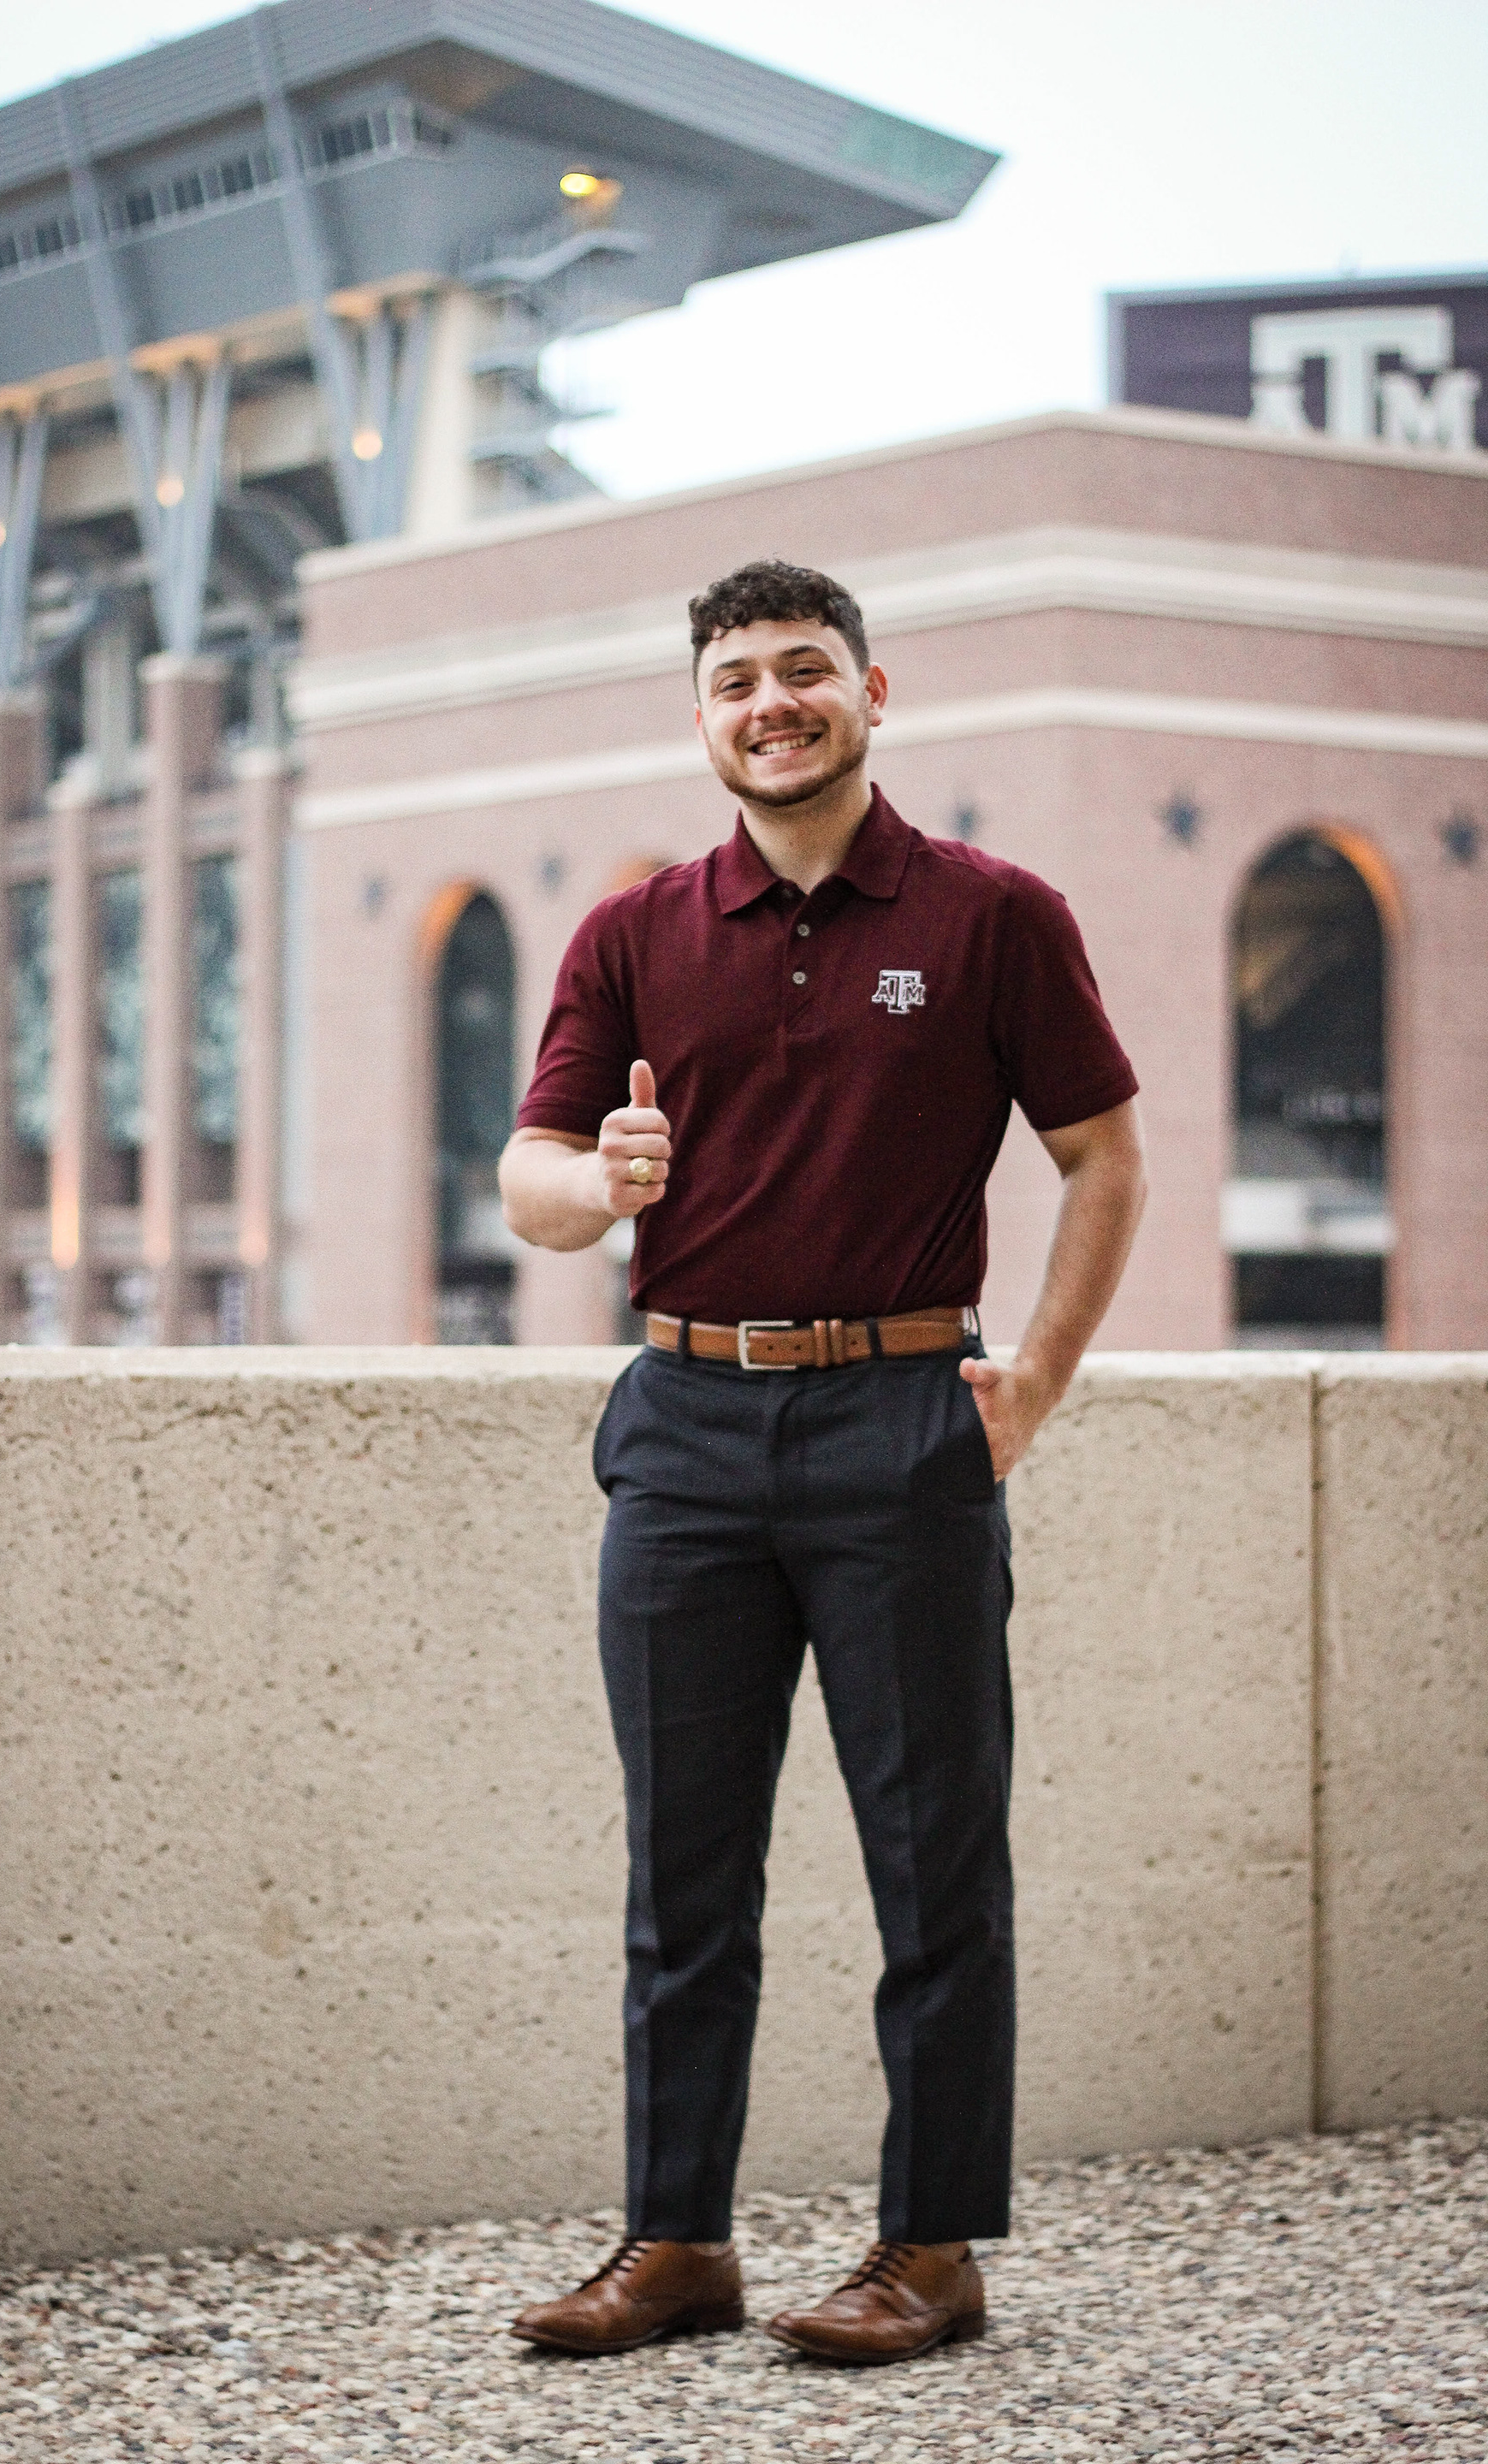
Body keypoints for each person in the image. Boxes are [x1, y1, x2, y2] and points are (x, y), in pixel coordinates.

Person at [497, 559, 1145, 2365]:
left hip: (900, 1420)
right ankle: (676, 2243)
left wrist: (1035, 1382)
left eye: (803, 671)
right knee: (682, 1872)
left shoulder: (994, 915)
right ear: (701, 716)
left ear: (873, 691)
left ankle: (930, 2250)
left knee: (936, 1867)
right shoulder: (633, 933)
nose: (770, 704)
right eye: (735, 681)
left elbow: (1103, 1156)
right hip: (686, 1429)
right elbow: (532, 1181)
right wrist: (599, 1183)